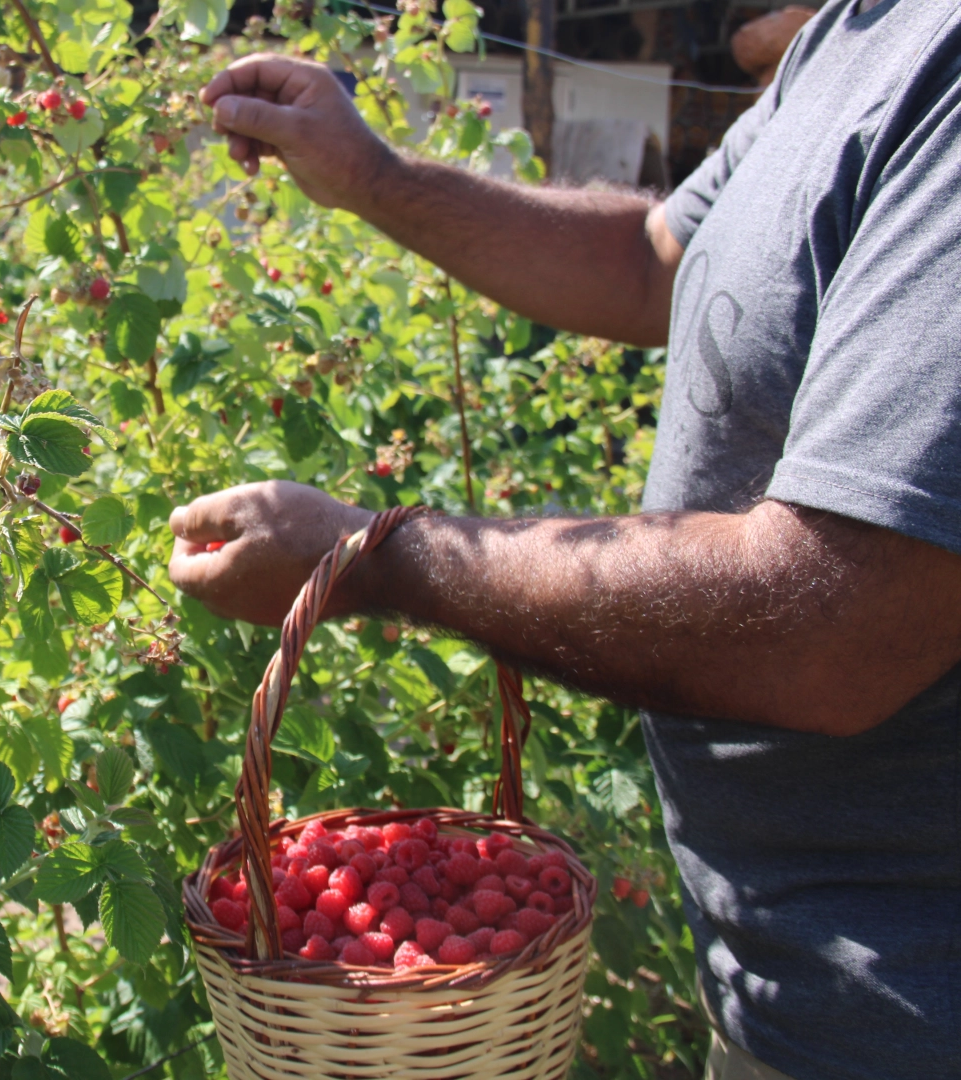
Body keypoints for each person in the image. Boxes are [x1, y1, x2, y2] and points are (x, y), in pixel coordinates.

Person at [167, 2, 961, 1078]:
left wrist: (377, 553)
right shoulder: (841, 46)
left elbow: (833, 622)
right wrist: (373, 176)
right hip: (793, 987)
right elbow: (649, 260)